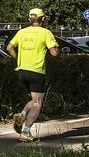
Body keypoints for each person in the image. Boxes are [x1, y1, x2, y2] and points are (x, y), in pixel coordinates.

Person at [6, 8, 59, 142]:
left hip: (21, 70)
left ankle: (22, 115)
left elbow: (9, 47)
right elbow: (54, 53)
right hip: (36, 71)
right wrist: (55, 49)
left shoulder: (21, 32)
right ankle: (26, 132)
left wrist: (16, 58)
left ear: (30, 19)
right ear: (43, 19)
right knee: (38, 102)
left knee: (34, 99)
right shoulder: (46, 33)